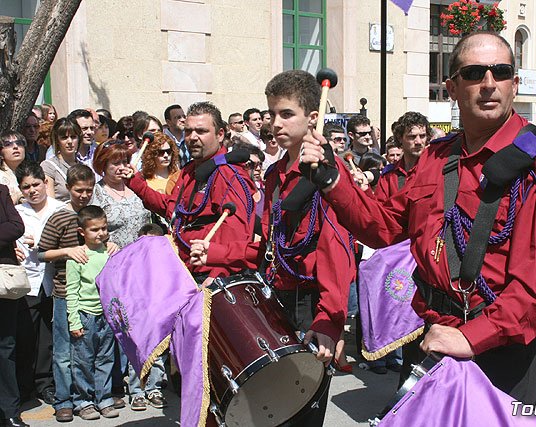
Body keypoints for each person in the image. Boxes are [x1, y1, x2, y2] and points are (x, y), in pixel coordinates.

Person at [299, 31, 536, 404]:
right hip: (431, 331)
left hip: (499, 347)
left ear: (514, 84)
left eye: (501, 71)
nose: (489, 83)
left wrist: (471, 336)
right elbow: (383, 226)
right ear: (451, 87)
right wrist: (332, 179)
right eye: (475, 73)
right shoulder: (436, 156)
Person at [190, 70, 356, 426]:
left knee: (301, 416)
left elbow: (337, 251)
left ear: (313, 117)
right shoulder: (275, 173)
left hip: (311, 304)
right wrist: (216, 254)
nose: (274, 124)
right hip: (276, 298)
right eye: (271, 115)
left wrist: (331, 319)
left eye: (286, 114)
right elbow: (268, 246)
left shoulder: (326, 172)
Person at [120, 101, 256, 284]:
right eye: (188, 131)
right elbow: (173, 210)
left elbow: (237, 232)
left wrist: (218, 274)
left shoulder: (227, 174)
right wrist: (135, 183)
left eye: (201, 131)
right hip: (185, 272)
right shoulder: (189, 171)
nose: (192, 137)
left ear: (220, 134)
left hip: (210, 278)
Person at [14, 161, 65, 407]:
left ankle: (45, 383)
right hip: (28, 281)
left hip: (53, 280)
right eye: (26, 187)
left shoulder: (60, 209)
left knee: (48, 337)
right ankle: (25, 386)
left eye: (36, 184)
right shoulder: (16, 213)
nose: (32, 190)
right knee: (26, 336)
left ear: (45, 182)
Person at [65, 206, 118, 420]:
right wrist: (74, 320)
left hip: (107, 314)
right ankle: (83, 401)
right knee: (83, 361)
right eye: (94, 229)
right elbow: (72, 291)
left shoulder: (110, 251)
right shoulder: (77, 257)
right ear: (82, 232)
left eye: (104, 228)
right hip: (86, 315)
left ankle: (104, 398)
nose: (101, 233)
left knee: (105, 359)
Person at [0, 183, 29, 427]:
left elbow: (16, 226)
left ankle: (9, 410)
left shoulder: (0, 191)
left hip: (3, 280)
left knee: (5, 346)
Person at [375, 112, 431, 202]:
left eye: (422, 136)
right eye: (412, 137)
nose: (418, 142)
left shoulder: (434, 170)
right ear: (400, 138)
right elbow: (379, 208)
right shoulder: (389, 175)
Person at [41, 118, 82, 203]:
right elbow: (50, 202)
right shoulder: (48, 166)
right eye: (64, 137)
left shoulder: (84, 166)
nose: (70, 141)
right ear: (57, 140)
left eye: (73, 137)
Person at [0, 131, 27, 204]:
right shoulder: (1, 176)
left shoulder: (24, 173)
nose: (15, 147)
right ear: (1, 154)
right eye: (8, 144)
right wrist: (18, 196)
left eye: (19, 143)